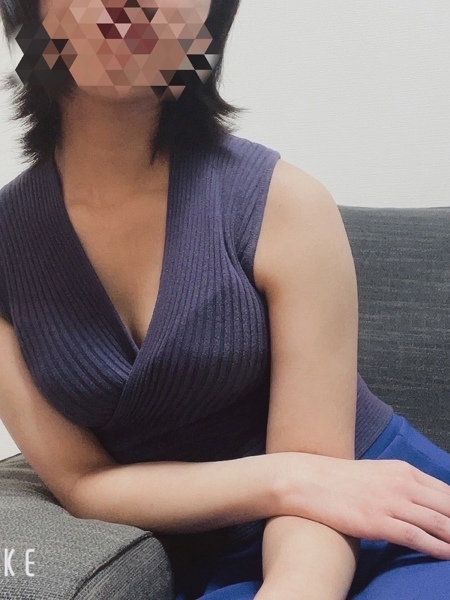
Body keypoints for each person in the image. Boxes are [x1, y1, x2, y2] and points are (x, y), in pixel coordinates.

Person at [0, 1, 449, 599]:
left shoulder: (286, 204)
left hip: (380, 521)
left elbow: (327, 484)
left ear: (208, 21)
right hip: (199, 554)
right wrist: (286, 479)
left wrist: (294, 548)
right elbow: (82, 483)